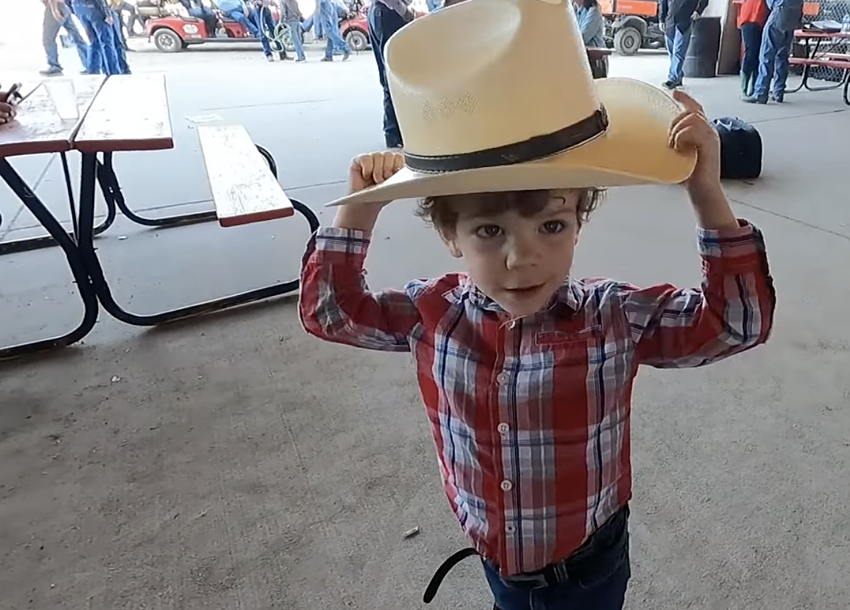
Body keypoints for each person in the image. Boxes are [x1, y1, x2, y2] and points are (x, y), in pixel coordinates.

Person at [299, 1, 776, 608]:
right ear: (449, 235)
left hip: (589, 566)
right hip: (496, 558)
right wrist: (359, 209)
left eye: (550, 227)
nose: (522, 260)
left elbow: (737, 323)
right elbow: (330, 312)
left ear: (580, 219)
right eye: (489, 232)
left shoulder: (612, 319)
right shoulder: (432, 315)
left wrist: (706, 193)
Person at [367, 0, 413, 148]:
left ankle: (393, 132)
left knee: (387, 73)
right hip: (389, 12)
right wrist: (404, 11)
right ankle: (394, 133)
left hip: (379, 11)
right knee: (394, 75)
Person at [744, 0, 803, 103]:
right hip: (795, 11)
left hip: (780, 8)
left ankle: (760, 93)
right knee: (782, 54)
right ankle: (778, 92)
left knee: (766, 53)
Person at [660, 0, 708, 89]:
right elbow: (663, 2)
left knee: (678, 52)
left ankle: (672, 79)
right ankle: (678, 77)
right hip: (670, 21)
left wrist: (698, 11)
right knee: (672, 53)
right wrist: (661, 19)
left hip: (684, 22)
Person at [68, 0, 123, 75]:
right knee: (106, 42)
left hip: (77, 6)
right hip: (93, 6)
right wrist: (106, 14)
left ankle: (93, 71)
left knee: (93, 41)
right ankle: (113, 72)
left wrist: (73, 10)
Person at [40, 0, 90, 76]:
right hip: (63, 7)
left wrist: (54, 10)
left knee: (48, 39)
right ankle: (88, 62)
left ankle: (54, 65)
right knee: (76, 37)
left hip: (55, 7)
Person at [737, 0, 769, 97]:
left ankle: (754, 87)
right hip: (750, 18)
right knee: (751, 52)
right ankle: (745, 88)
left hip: (762, 18)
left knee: (759, 54)